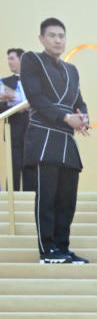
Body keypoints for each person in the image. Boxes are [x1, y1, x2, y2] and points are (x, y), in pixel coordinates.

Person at [19, 17, 90, 265]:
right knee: (47, 198)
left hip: (66, 143)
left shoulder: (72, 70)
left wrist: (83, 117)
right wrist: (65, 117)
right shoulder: (31, 59)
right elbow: (35, 97)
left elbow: (79, 100)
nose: (58, 40)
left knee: (66, 201)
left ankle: (62, 248)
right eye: (52, 35)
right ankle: (47, 250)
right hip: (44, 138)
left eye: (61, 35)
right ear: (41, 39)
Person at [1, 48, 31, 192]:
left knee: (30, 169)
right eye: (8, 58)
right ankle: (9, 204)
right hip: (14, 130)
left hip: (33, 132)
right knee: (13, 168)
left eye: (12, 58)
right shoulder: (4, 82)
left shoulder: (34, 81)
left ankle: (31, 204)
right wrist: (8, 103)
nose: (9, 62)